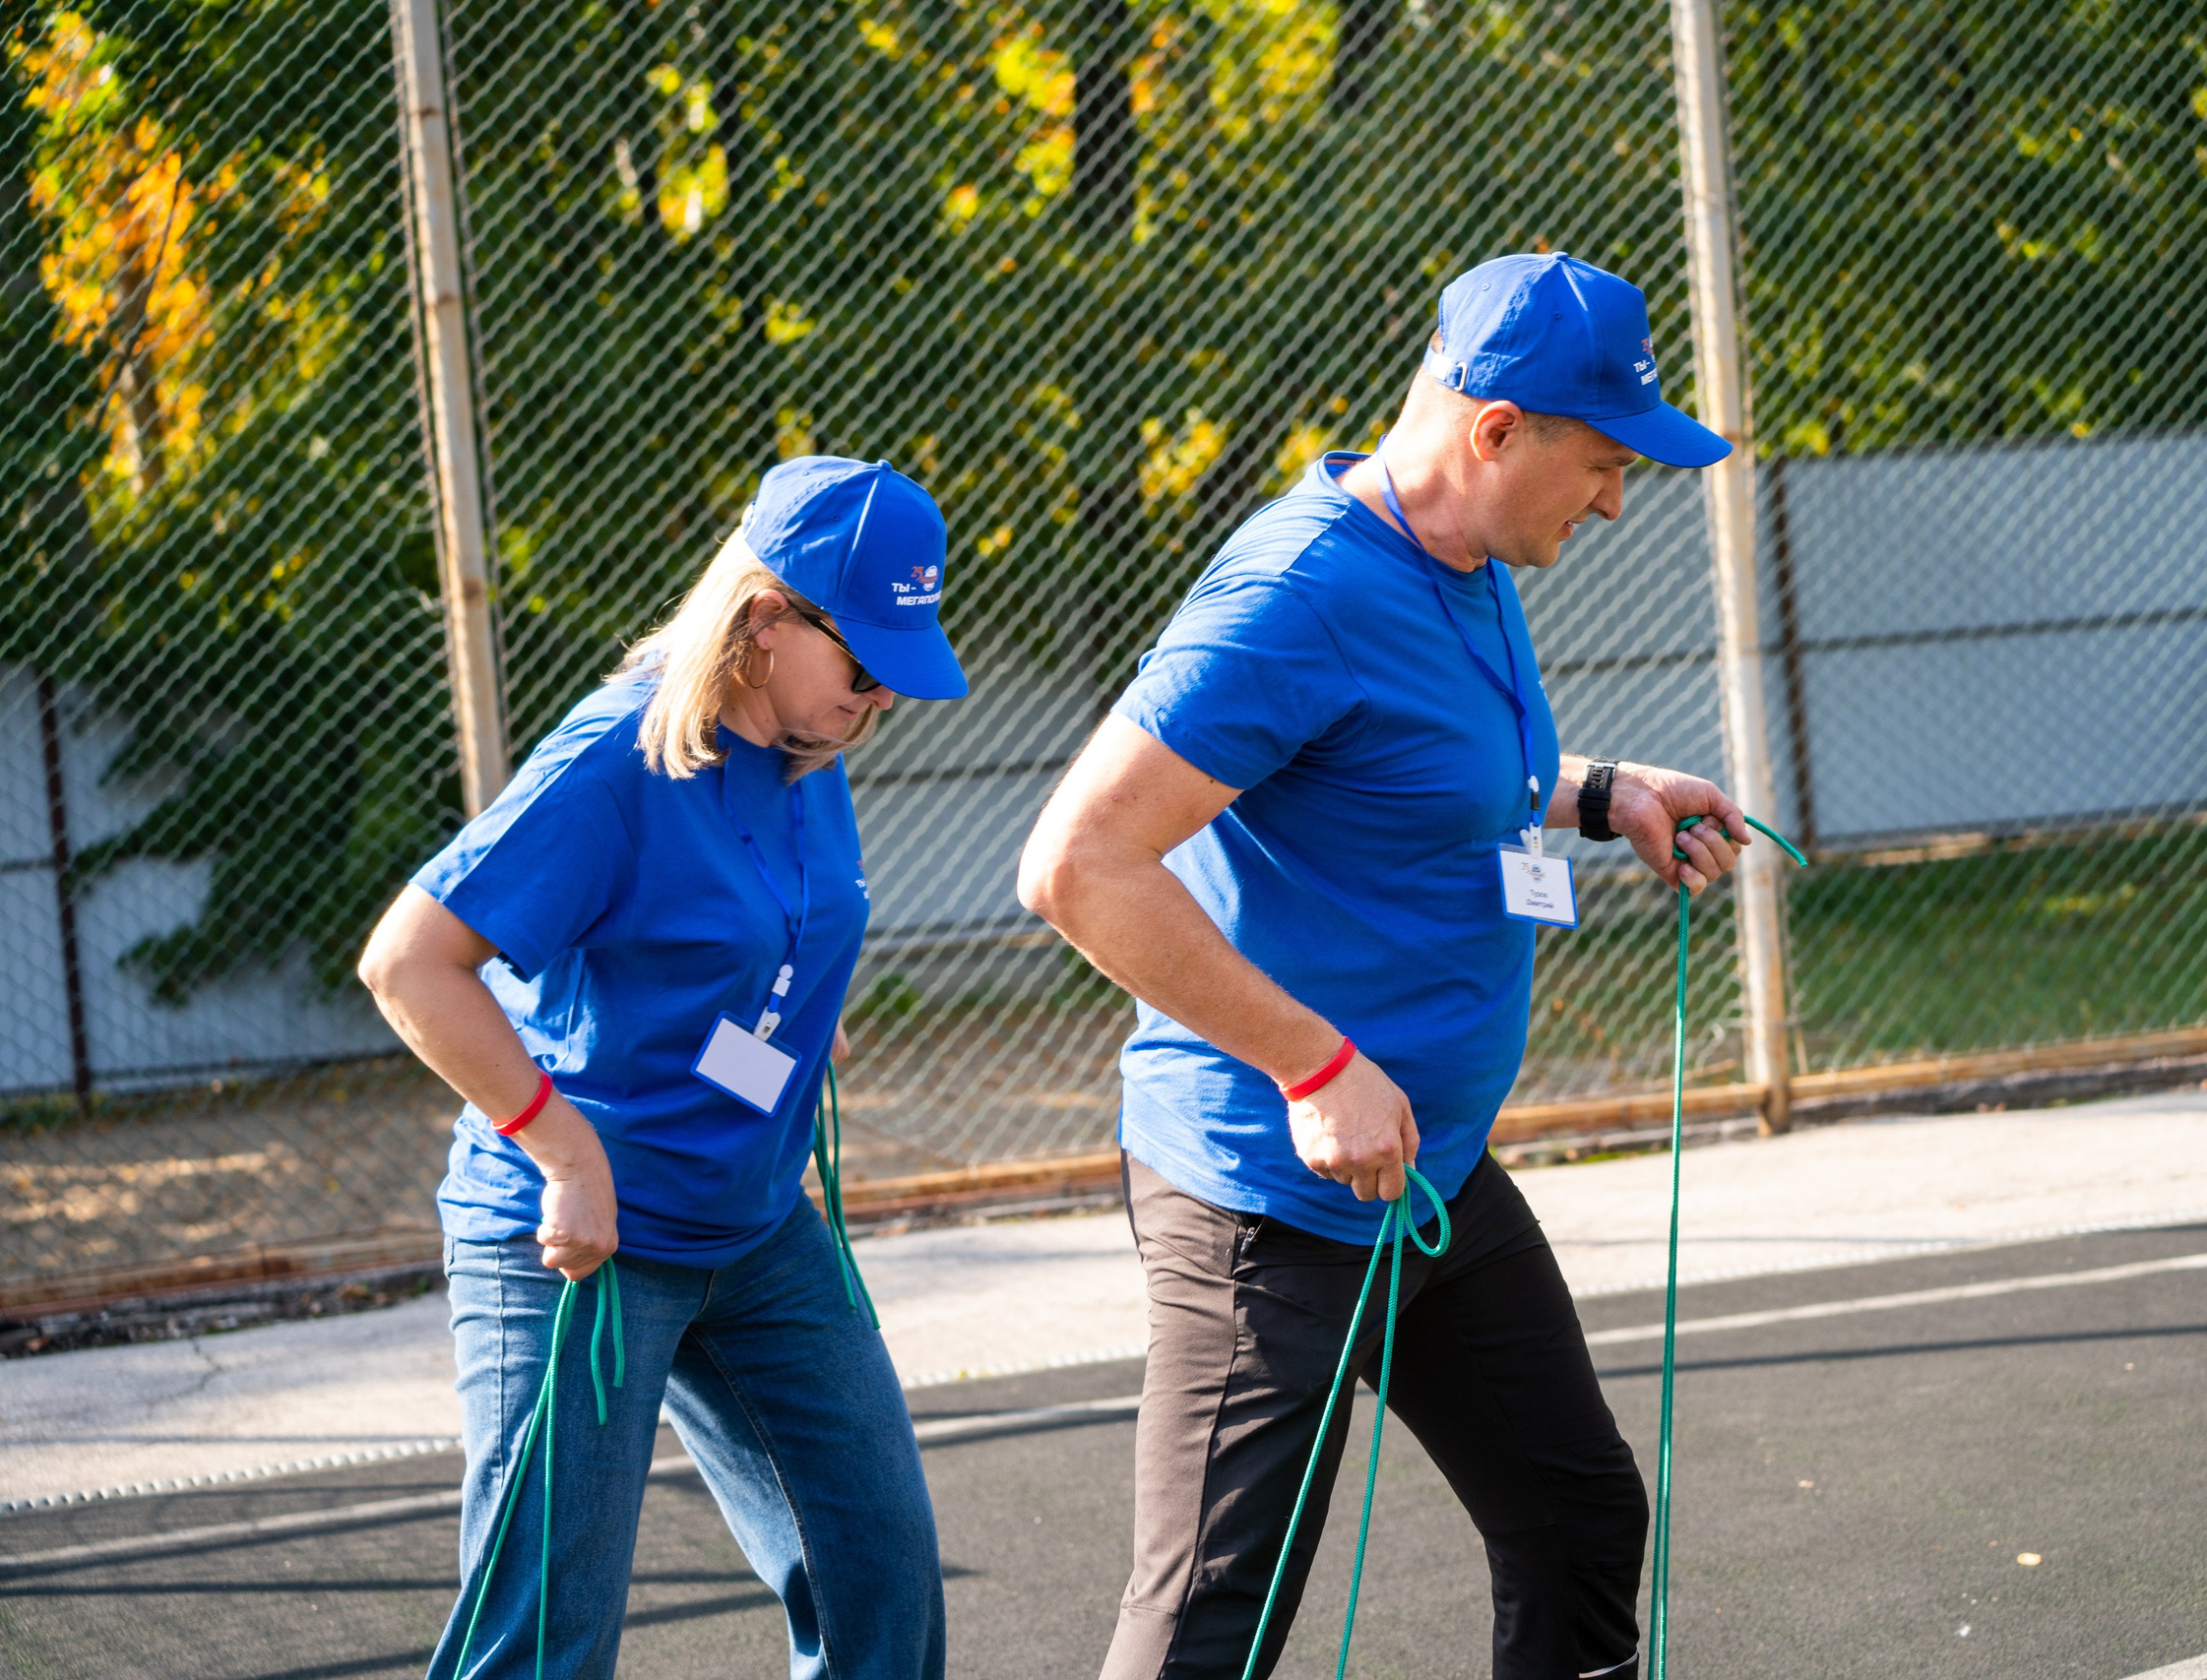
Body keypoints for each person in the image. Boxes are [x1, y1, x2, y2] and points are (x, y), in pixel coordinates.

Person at [1017, 253, 1755, 1680]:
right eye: (1601, 465)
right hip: (1268, 1191)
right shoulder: (1299, 591)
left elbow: (1416, 764)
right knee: (1209, 1625)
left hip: (1424, 1169)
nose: (1612, 500)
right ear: (1494, 430)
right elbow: (1076, 864)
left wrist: (1598, 790)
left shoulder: (1468, 551)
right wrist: (1314, 1059)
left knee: (1577, 1511)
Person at [358, 458, 967, 1680]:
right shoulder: (616, 760)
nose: (879, 700)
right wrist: (565, 1153)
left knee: (879, 1579)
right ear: (761, 622)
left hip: (752, 1225)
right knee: (544, 1640)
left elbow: (767, 928)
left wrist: (791, 1022)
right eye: (864, 666)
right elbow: (410, 965)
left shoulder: (809, 750)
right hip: (583, 1244)